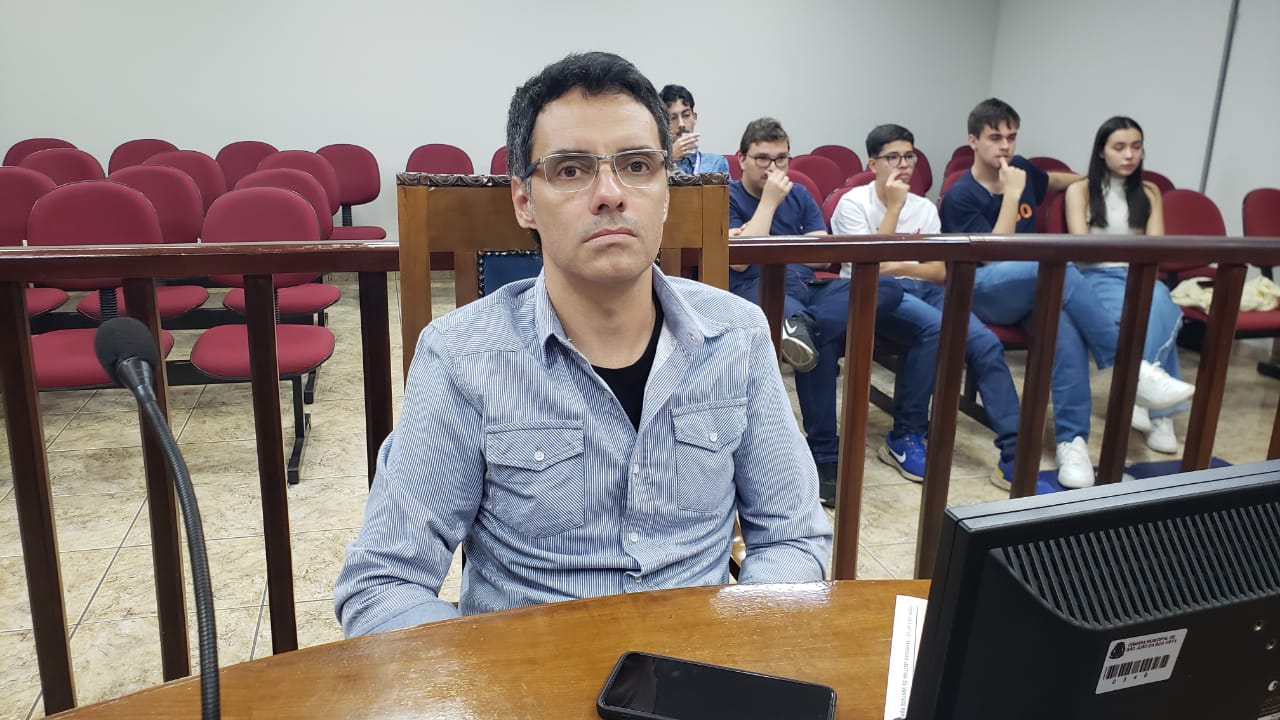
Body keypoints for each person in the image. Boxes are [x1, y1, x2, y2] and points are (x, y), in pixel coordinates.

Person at [334, 52, 832, 637]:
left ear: (665, 193)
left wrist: (739, 649)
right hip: (528, 672)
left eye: (637, 165)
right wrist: (490, 677)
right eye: (571, 170)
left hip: (700, 662)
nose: (610, 194)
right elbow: (383, 585)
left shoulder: (737, 336)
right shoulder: (461, 356)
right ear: (524, 201)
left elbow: (791, 537)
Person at [940, 98, 1193, 489]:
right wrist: (1012, 195)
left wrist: (1089, 180)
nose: (1005, 146)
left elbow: (1055, 180)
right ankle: (1130, 368)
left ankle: (1071, 442)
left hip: (1031, 289)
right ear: (973, 140)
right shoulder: (962, 194)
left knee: (1065, 326)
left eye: (1011, 137)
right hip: (982, 290)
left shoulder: (1022, 169)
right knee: (1058, 267)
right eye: (995, 138)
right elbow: (995, 254)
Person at [832, 124, 1021, 487]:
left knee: (985, 343)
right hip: (876, 293)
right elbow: (870, 266)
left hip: (925, 290)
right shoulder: (852, 203)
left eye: (909, 156)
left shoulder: (924, 208)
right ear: (873, 164)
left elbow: (938, 271)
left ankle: (1015, 453)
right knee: (934, 329)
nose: (903, 164)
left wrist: (899, 265)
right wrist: (894, 209)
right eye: (892, 157)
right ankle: (905, 436)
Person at [727, 117, 904, 504]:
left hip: (808, 287)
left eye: (781, 159)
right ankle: (825, 456)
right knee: (816, 344)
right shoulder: (729, 196)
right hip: (758, 288)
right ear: (742, 159)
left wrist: (762, 234)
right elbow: (740, 261)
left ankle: (801, 329)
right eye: (762, 158)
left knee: (885, 288)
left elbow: (823, 254)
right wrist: (769, 205)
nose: (773, 168)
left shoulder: (801, 194)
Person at [1064, 116, 1188, 454]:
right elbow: (1082, 248)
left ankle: (1143, 399)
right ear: (1101, 151)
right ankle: (1156, 408)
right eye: (1119, 147)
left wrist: (1131, 258)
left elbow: (1157, 245)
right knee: (1152, 307)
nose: (1129, 155)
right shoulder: (1080, 190)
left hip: (1138, 273)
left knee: (1160, 301)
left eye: (1136, 147)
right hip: (1094, 275)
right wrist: (1128, 253)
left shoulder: (1149, 192)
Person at [659, 84, 730, 176]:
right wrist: (670, 159)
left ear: (694, 117)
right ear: (663, 124)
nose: (681, 124)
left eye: (686, 115)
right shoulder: (655, 166)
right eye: (673, 118)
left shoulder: (716, 164)